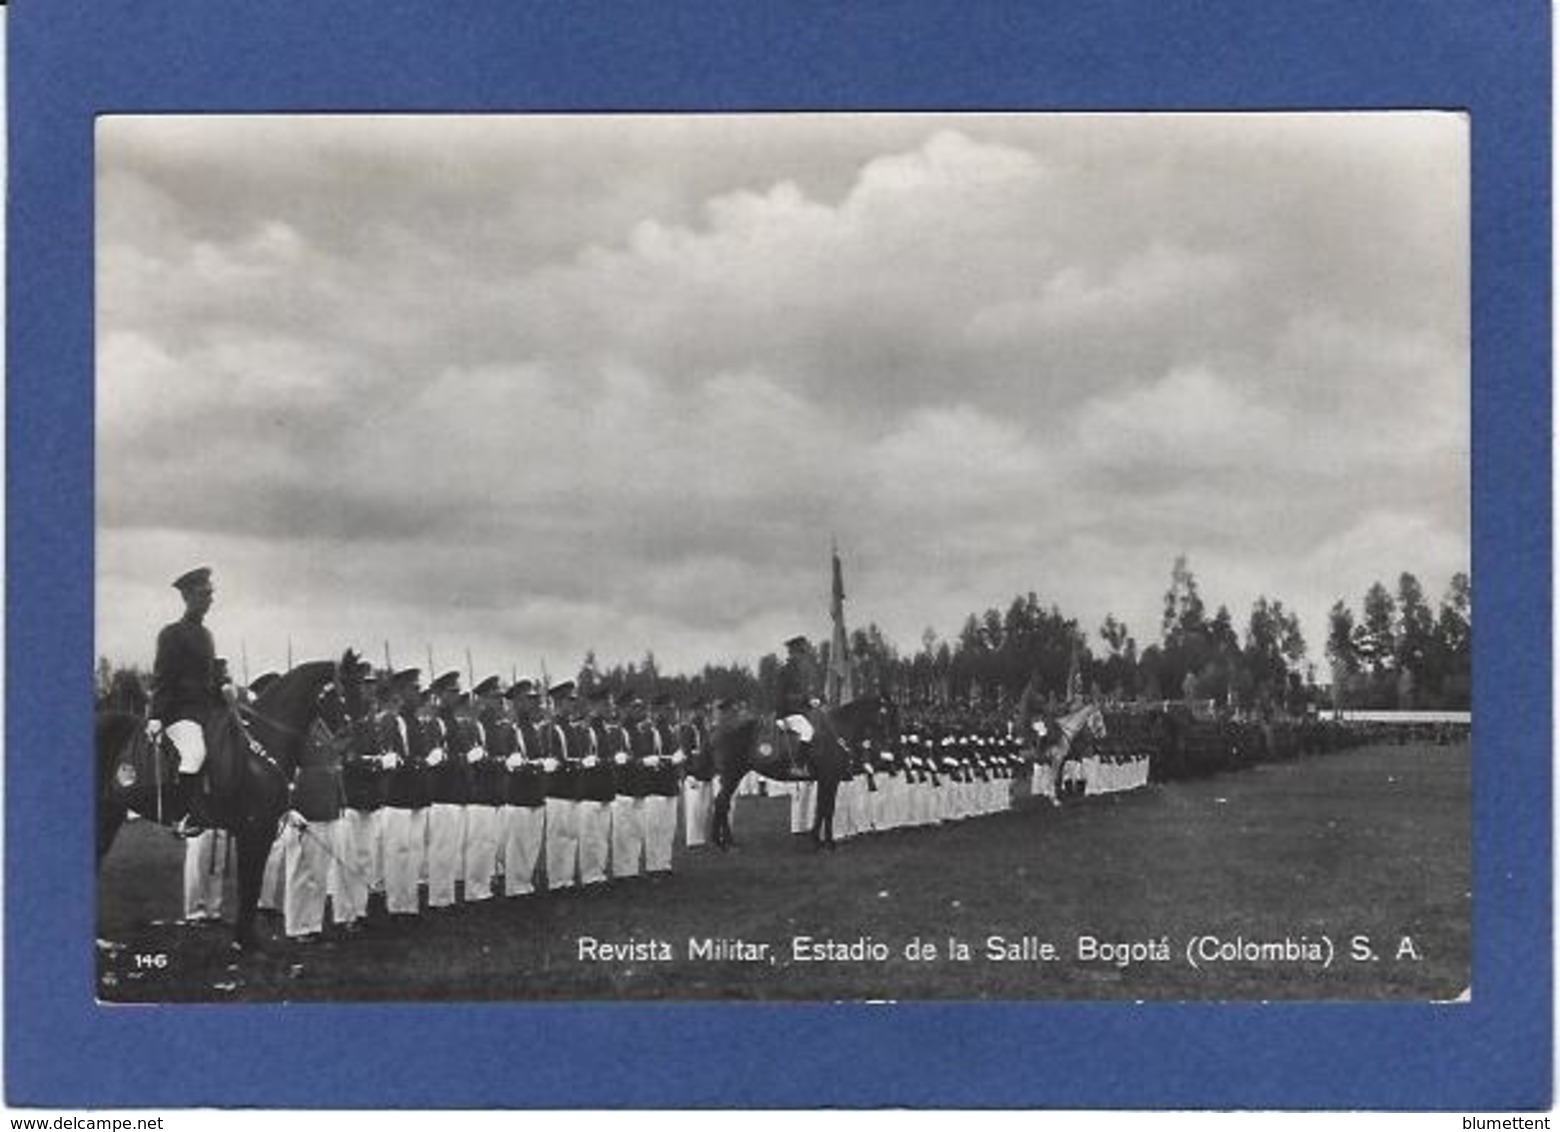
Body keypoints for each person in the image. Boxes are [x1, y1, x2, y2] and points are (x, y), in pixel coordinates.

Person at [148, 567, 225, 836]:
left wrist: (224, 689)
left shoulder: (207, 635)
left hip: (207, 713)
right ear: (188, 596)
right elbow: (163, 678)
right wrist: (156, 716)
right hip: (180, 714)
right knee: (194, 754)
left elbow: (211, 679)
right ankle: (181, 816)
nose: (210, 599)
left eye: (210, 594)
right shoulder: (171, 633)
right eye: (205, 594)